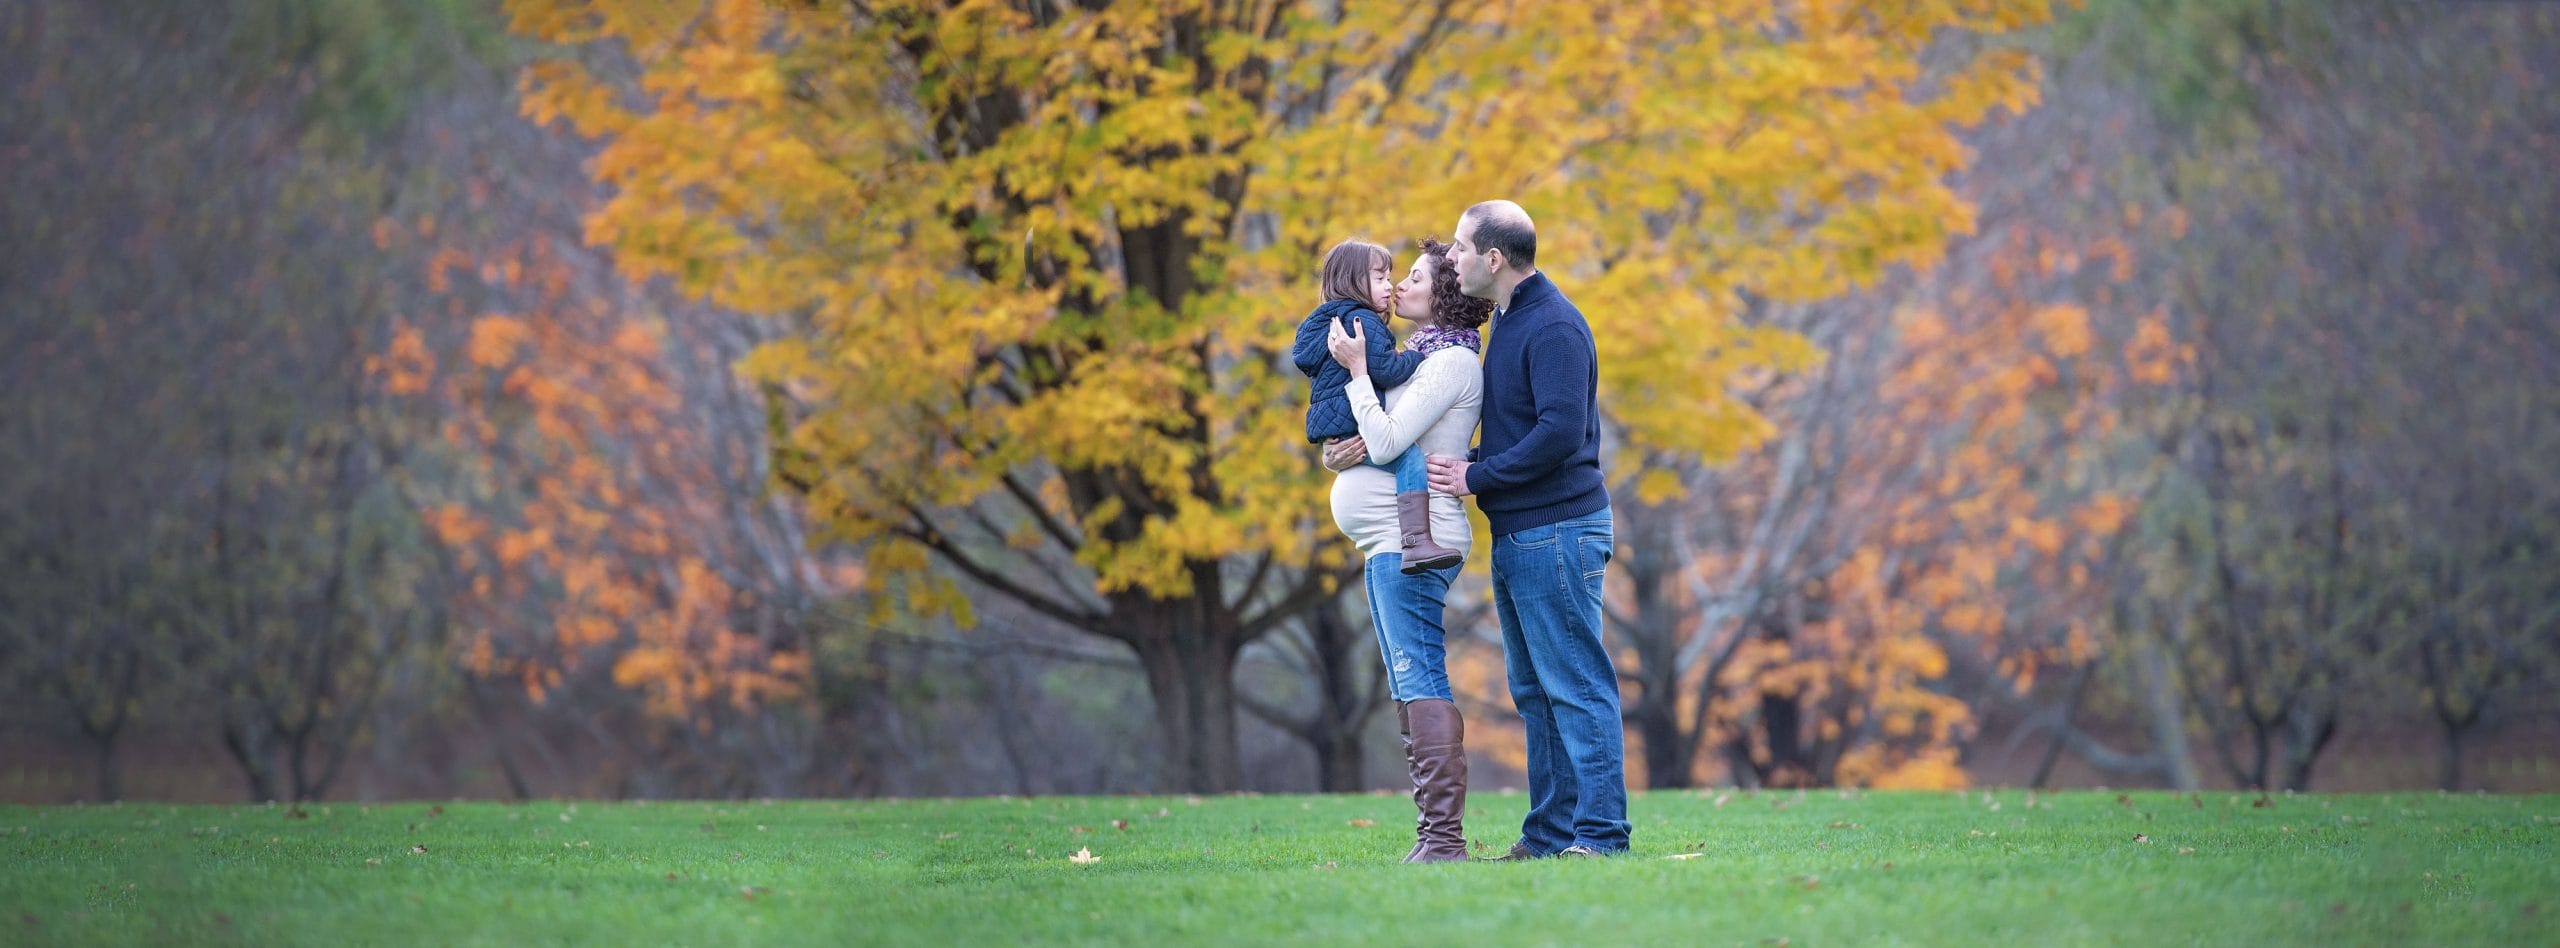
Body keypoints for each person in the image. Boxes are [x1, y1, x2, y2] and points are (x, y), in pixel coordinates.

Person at [1425, 200, 1628, 859]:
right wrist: (1477, 461)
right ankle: (1549, 836)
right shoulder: (1511, 321)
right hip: (1523, 534)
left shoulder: (1554, 326)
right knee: (1537, 694)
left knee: (1576, 687)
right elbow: (1523, 431)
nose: (1449, 259)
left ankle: (1601, 837)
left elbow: (1560, 434)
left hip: (1561, 531)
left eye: (1458, 248)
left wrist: (1478, 477)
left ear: (1492, 259)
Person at [1319, 238, 1491, 863]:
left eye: (1413, 276)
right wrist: (1338, 447)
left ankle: (1443, 841)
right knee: (1406, 678)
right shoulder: (1419, 356)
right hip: (1386, 539)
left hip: (1415, 542)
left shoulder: (1450, 365)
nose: (1399, 285)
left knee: (1421, 675)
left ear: (1440, 293)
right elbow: (1375, 435)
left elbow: (1390, 442)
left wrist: (1361, 373)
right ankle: (1432, 837)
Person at [1294, 238, 1464, 572]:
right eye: (1381, 278)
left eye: (1396, 278)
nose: (1391, 287)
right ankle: (1417, 539)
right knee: (1409, 458)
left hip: (1339, 430)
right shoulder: (1363, 321)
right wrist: (1415, 357)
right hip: (1385, 536)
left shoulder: (1327, 321)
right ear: (1354, 281)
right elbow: (1385, 371)